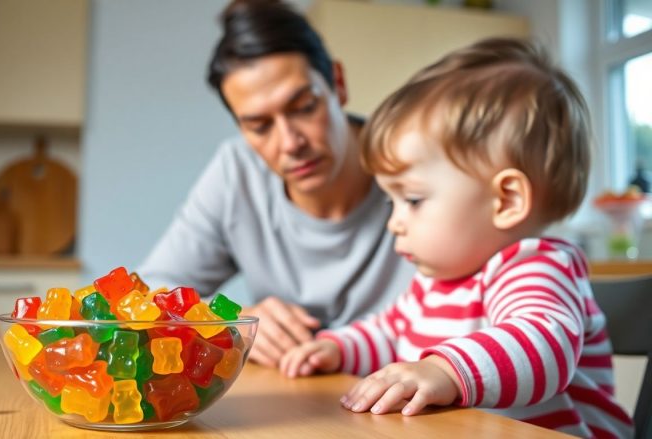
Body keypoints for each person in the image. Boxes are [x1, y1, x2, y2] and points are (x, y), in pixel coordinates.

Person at [279, 38, 634, 437]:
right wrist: (337, 349)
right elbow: (389, 331)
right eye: (391, 201)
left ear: (507, 199)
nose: (394, 222)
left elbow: (542, 345)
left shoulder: (537, 265)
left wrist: (445, 369)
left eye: (412, 199)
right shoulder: (433, 284)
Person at [137, 0, 414, 368]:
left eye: (304, 107)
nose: (290, 143)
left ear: (339, 84)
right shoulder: (237, 172)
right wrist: (233, 322)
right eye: (260, 126)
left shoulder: (414, 161)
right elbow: (149, 294)